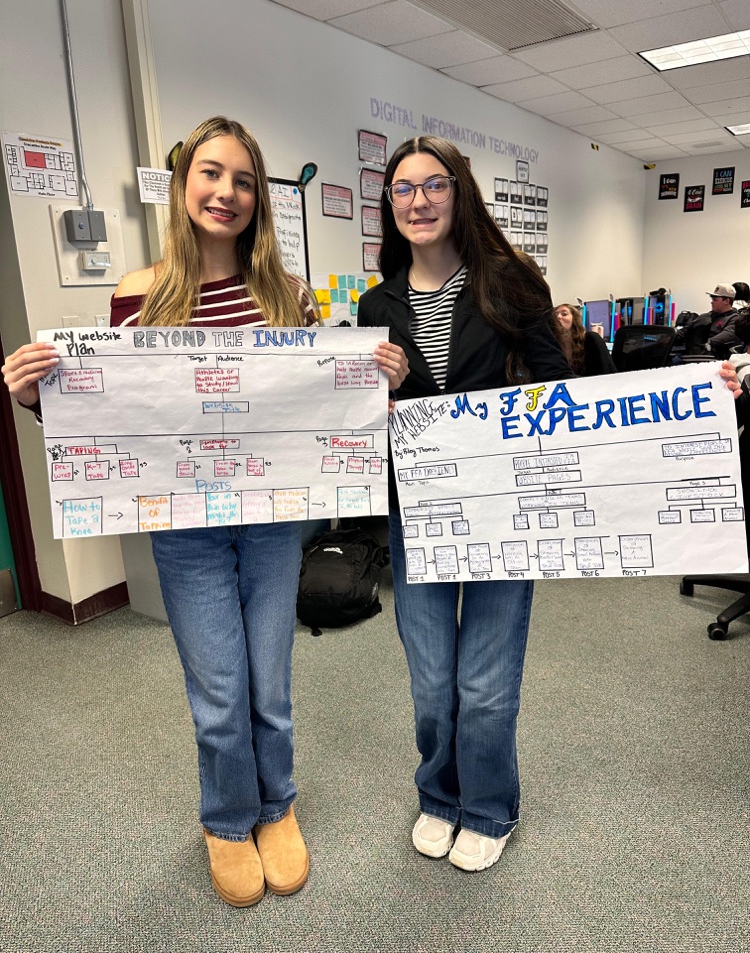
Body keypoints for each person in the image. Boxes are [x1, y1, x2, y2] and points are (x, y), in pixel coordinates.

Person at [1, 116, 407, 908]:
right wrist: (37, 399)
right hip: (185, 527)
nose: (227, 192)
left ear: (259, 198)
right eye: (211, 174)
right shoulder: (140, 293)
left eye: (244, 180)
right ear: (184, 186)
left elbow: (315, 406)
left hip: (273, 520)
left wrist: (373, 383)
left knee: (270, 684)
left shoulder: (287, 295)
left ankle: (276, 807)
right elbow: (118, 415)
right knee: (220, 691)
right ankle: (227, 819)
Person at [357, 136, 576, 874]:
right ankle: (439, 794)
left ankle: (487, 806)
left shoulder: (511, 283)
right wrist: (379, 391)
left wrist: (700, 397)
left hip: (501, 507)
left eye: (434, 185)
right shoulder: (376, 304)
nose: (418, 201)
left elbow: (561, 389)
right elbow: (360, 420)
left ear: (460, 192)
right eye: (403, 189)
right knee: (431, 680)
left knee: (484, 680)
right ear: (389, 205)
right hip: (416, 509)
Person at [554, 303, 616, 375]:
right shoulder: (553, 346)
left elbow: (603, 373)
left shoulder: (591, 339)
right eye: (555, 315)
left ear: (574, 319)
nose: (558, 317)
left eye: (564, 314)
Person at [704, 284, 740, 358]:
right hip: (694, 349)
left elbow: (727, 334)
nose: (712, 302)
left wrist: (707, 342)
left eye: (715, 300)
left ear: (726, 301)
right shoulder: (709, 315)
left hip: (711, 353)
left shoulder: (734, 319)